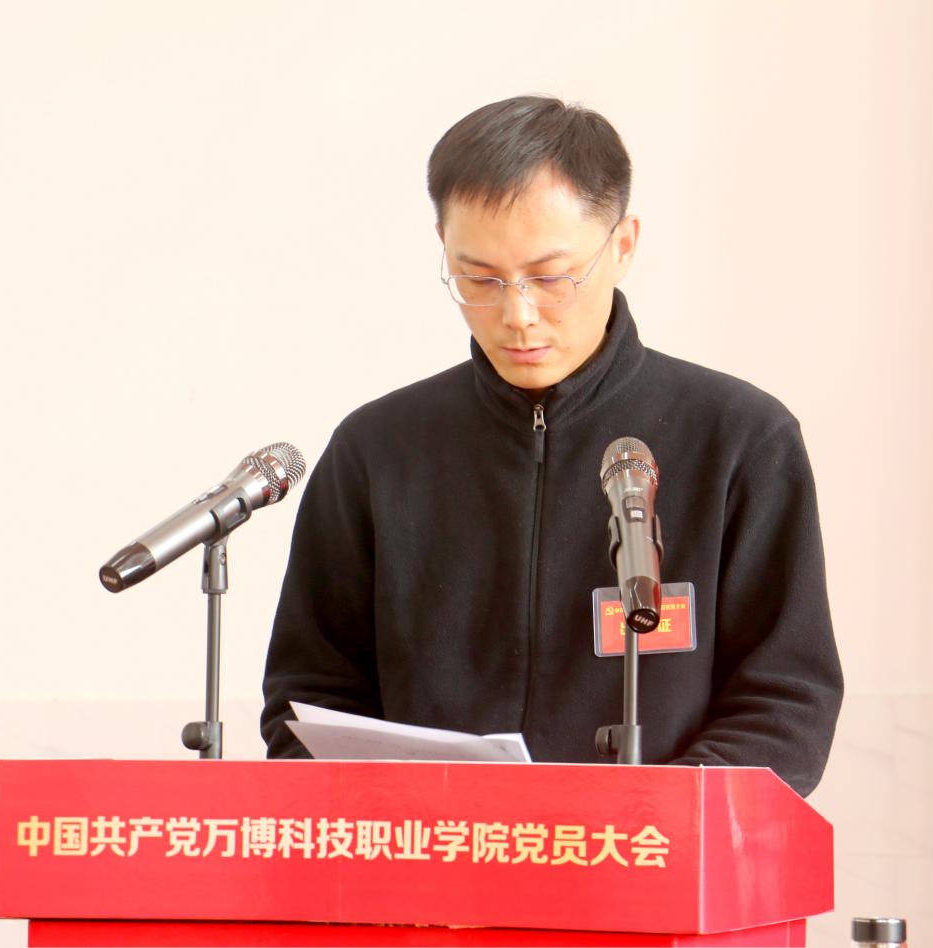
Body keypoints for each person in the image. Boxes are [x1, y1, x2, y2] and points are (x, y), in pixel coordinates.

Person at [261, 96, 842, 796]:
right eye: (479, 279)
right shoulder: (375, 451)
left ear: (622, 245)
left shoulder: (740, 438)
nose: (517, 315)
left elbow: (786, 703)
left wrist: (645, 818)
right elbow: (310, 698)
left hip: (649, 853)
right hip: (430, 853)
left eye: (550, 277)